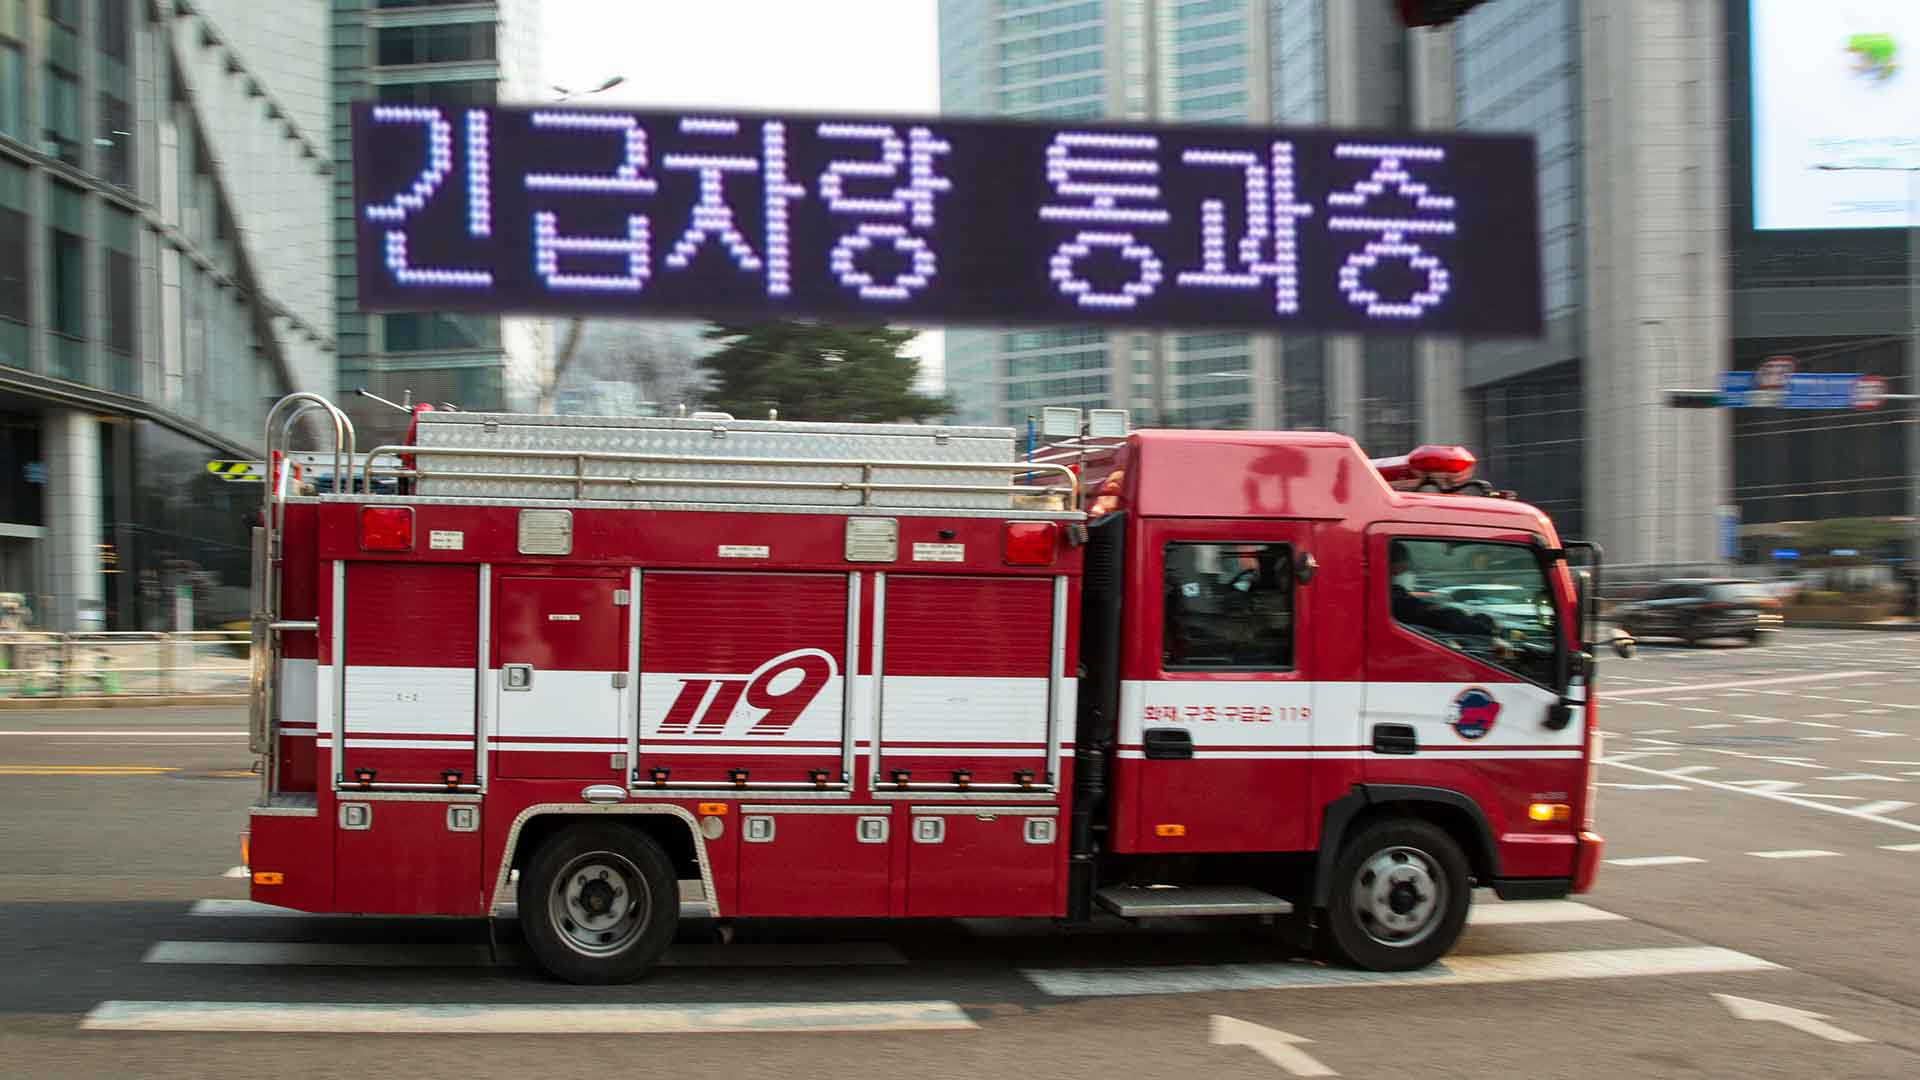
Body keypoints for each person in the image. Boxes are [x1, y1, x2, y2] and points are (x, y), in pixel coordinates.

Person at [1390, 542, 1497, 639]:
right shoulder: (1391, 597)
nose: (1408, 565)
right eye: (1405, 560)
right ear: (1394, 563)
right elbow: (1442, 617)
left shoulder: (1393, 593)